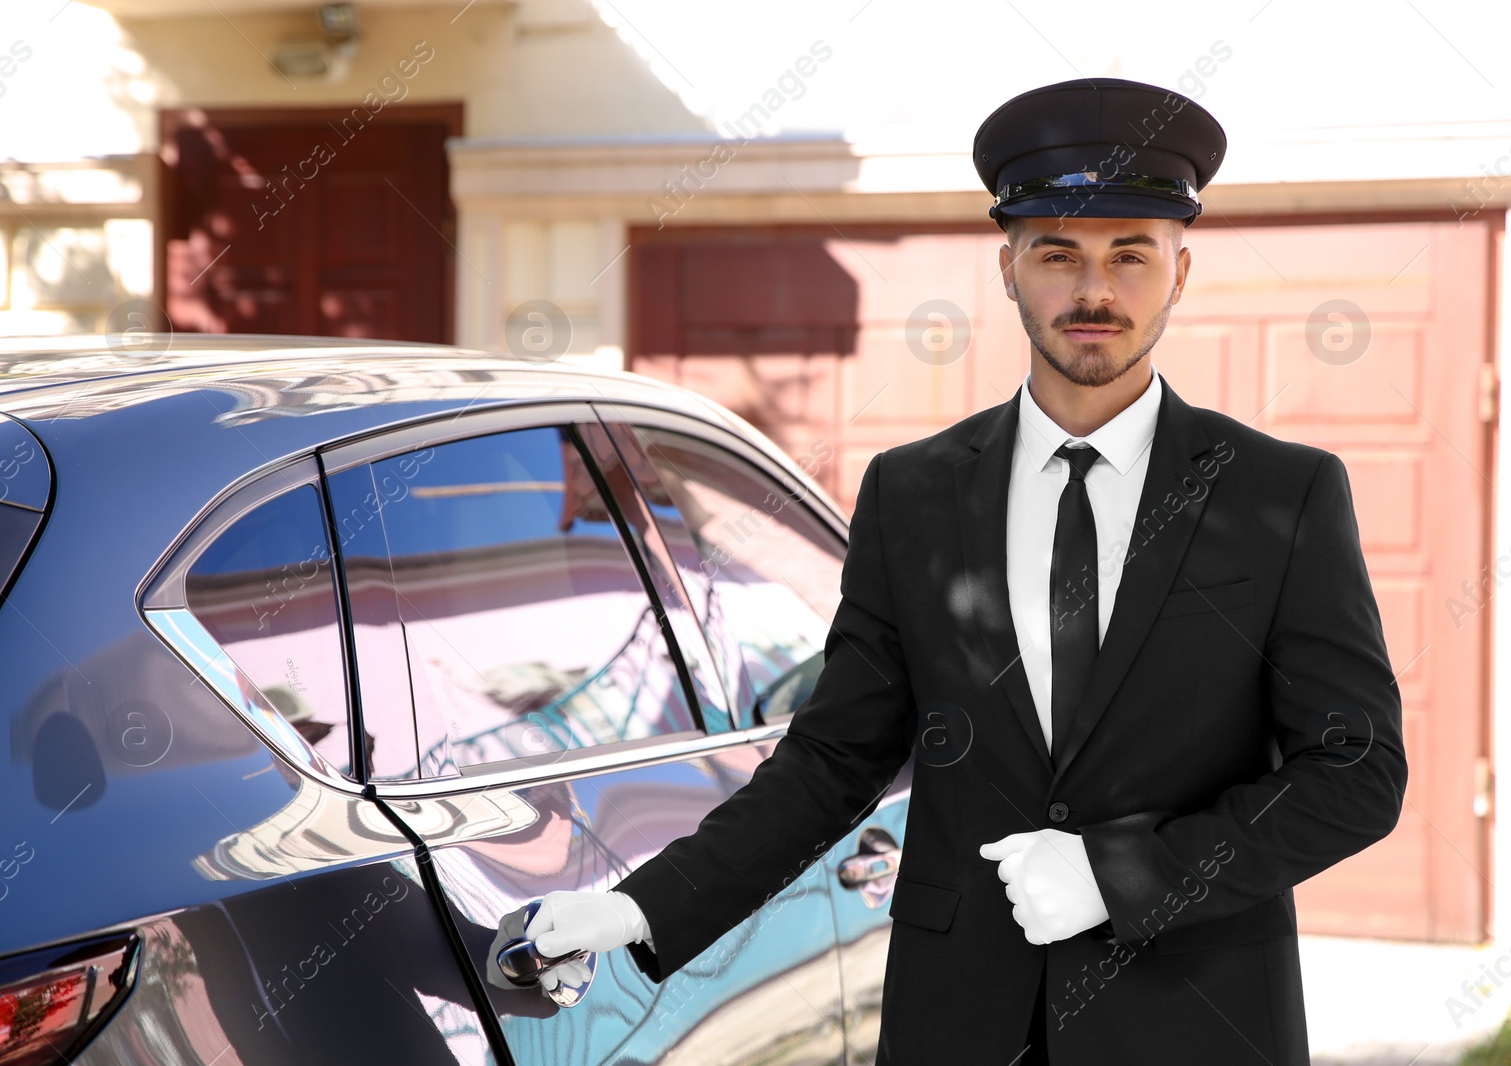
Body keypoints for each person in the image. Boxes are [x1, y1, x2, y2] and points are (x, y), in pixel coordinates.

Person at [489, 77, 1407, 1065]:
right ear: (1006, 268)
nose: (1093, 291)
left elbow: (1355, 771)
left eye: (1130, 256)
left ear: (1179, 273)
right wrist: (636, 906)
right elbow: (832, 762)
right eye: (1056, 253)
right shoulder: (913, 494)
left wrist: (1123, 874)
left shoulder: (1281, 495)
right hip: (960, 1025)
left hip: (1194, 1018)